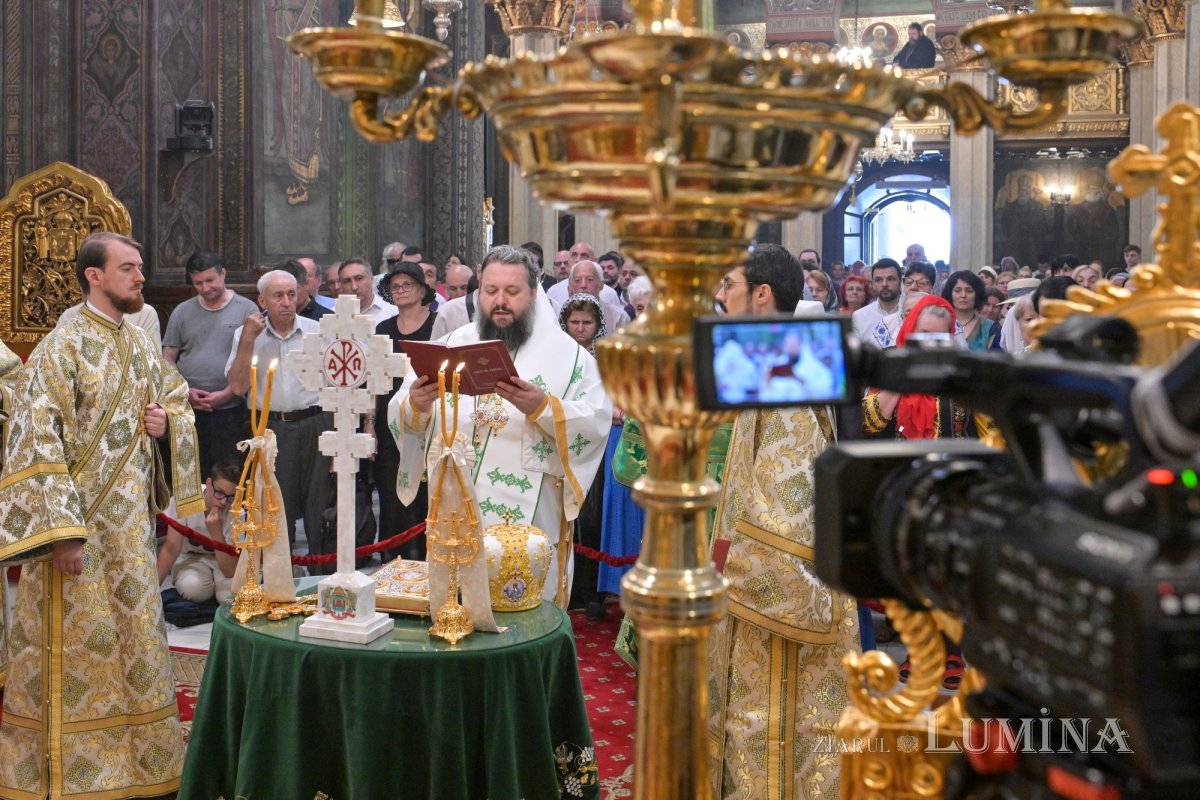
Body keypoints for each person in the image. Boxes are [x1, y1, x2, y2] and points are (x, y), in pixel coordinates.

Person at [0, 232, 203, 799]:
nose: (141, 278)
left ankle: (140, 766)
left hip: (131, 530)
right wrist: (62, 535)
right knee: (82, 644)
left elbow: (177, 399)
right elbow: (35, 443)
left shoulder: (138, 344)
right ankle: (75, 772)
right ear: (95, 276)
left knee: (136, 638)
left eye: (139, 268)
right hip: (80, 533)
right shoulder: (60, 349)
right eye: (129, 268)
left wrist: (165, 424)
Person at [708, 243, 858, 799]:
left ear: (762, 293)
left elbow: (792, 499)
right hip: (746, 572)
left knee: (769, 718)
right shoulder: (771, 359)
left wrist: (732, 568)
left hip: (772, 589)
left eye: (730, 285)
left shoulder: (787, 370)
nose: (721, 297)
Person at [388, 245, 612, 603]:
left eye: (512, 292)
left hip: (532, 518)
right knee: (453, 610)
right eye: (491, 291)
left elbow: (597, 421)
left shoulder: (572, 359)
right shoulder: (450, 344)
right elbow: (403, 409)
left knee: (522, 613)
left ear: (534, 293)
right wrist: (416, 404)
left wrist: (543, 408)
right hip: (457, 509)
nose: (500, 301)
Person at [226, 270, 331, 551]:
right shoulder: (246, 334)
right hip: (270, 429)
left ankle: (321, 571)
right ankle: (281, 579)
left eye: (291, 294)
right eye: (278, 296)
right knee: (274, 506)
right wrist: (248, 338)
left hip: (314, 423)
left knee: (318, 504)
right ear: (262, 300)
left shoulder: (317, 331)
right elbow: (237, 386)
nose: (286, 302)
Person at [162, 249, 259, 478]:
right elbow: (167, 357)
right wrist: (185, 391)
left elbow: (251, 361)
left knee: (226, 476)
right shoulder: (182, 312)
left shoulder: (247, 310)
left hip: (229, 411)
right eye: (198, 283)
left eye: (210, 280)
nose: (205, 288)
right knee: (189, 476)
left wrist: (226, 394)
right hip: (187, 409)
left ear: (223, 273)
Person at [371, 264, 438, 562]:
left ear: (423, 290)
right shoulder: (382, 330)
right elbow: (375, 381)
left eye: (407, 284)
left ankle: (428, 561)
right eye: (395, 286)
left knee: (428, 492)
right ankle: (392, 563)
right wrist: (369, 425)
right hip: (390, 424)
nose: (400, 290)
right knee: (391, 492)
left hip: (430, 421)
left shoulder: (439, 324)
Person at [156, 458, 242, 603]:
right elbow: (171, 548)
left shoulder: (238, 511)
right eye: (219, 493)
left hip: (223, 562)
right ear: (208, 483)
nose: (223, 502)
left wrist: (216, 533)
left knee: (229, 597)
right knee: (194, 589)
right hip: (190, 559)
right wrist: (151, 591)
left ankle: (216, 588)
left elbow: (230, 571)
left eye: (230, 496)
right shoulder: (186, 499)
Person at [942, 270, 999, 351]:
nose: (963, 295)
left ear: (977, 294)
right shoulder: (941, 324)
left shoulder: (989, 327)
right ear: (950, 293)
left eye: (969, 291)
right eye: (957, 291)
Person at [852, 258, 902, 342]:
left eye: (890, 279)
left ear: (900, 281)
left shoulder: (911, 312)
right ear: (872, 284)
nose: (884, 284)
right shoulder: (859, 317)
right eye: (878, 280)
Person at [338, 257, 398, 325]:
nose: (354, 287)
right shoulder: (334, 315)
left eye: (359, 278)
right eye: (347, 281)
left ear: (371, 278)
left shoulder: (392, 313)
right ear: (341, 285)